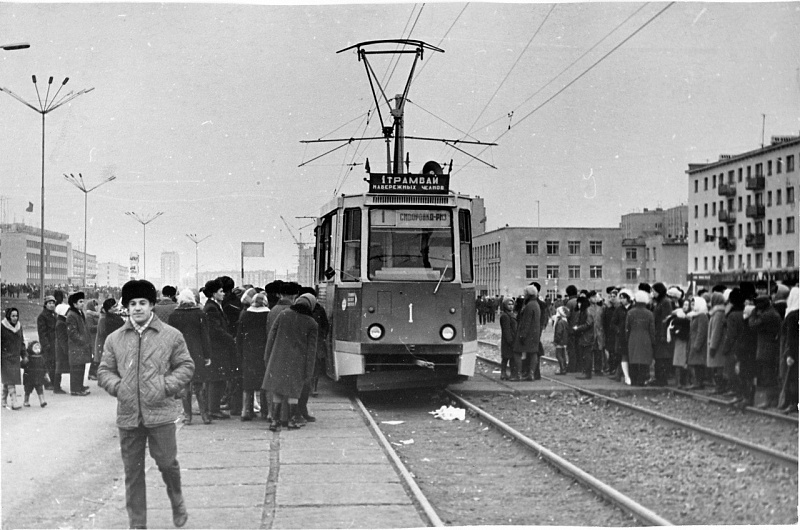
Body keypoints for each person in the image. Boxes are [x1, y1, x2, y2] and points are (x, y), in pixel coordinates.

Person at [97, 279, 194, 529]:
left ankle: (177, 500)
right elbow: (104, 370)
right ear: (126, 307)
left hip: (161, 413)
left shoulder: (171, 336)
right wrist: (119, 387)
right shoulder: (114, 339)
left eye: (142, 303)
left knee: (167, 464)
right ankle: (137, 524)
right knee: (133, 473)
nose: (137, 308)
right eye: (132, 303)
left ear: (152, 305)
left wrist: (165, 386)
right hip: (129, 417)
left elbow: (186, 365)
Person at [262, 293, 319, 432]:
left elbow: (271, 337)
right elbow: (312, 351)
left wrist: (267, 357)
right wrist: (309, 372)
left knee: (277, 391)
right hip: (297, 362)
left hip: (277, 359)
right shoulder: (312, 323)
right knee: (294, 393)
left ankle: (275, 422)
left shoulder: (283, 314)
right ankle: (292, 421)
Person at [169, 288, 213, 425]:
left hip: (180, 354)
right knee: (199, 386)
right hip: (197, 353)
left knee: (184, 387)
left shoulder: (174, 315)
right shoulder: (199, 314)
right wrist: (207, 355)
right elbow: (205, 336)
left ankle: (188, 417)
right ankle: (205, 416)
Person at [202, 279, 234, 420]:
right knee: (217, 380)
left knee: (216, 379)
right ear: (214, 293)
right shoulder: (211, 308)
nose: (224, 294)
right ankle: (213, 409)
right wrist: (230, 339)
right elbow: (215, 330)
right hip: (217, 349)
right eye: (221, 291)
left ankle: (212, 408)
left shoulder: (213, 306)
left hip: (217, 348)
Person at [236, 291, 269, 422]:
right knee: (264, 383)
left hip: (248, 353)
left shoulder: (245, 315)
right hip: (263, 352)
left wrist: (240, 352)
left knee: (248, 383)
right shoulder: (268, 315)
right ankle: (266, 412)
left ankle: (246, 411)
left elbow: (239, 337)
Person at [748, 295, 782, 409]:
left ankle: (769, 400)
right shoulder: (772, 313)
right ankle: (773, 400)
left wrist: (752, 313)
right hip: (771, 348)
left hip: (766, 349)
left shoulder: (767, 315)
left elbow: (752, 325)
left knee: (768, 375)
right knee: (770, 375)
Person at [512, 285, 542, 382]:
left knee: (517, 352)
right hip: (535, 334)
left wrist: (522, 335)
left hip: (527, 334)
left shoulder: (529, 305)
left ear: (528, 294)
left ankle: (518, 375)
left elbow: (526, 321)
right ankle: (531, 374)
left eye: (525, 293)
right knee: (533, 353)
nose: (524, 295)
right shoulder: (536, 304)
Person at [626, 290, 655, 386]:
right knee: (644, 359)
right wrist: (653, 341)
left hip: (633, 337)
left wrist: (627, 338)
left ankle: (633, 380)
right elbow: (652, 330)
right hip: (646, 338)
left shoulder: (630, 312)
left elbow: (627, 328)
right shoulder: (649, 314)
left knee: (633, 358)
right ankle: (642, 380)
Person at [66, 292, 92, 396]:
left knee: (81, 367)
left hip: (81, 346)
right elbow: (72, 333)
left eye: (83, 301)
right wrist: (82, 340)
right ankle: (75, 389)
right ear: (74, 304)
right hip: (76, 346)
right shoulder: (72, 315)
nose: (83, 303)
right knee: (76, 368)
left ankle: (80, 386)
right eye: (80, 301)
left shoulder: (79, 313)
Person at [1, 307, 27, 410]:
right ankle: (14, 400)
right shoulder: (2, 326)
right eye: (13, 316)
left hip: (15, 357)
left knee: (9, 379)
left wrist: (24, 355)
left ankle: (3, 399)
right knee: (10, 379)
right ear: (8, 316)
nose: (15, 318)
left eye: (16, 316)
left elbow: (22, 342)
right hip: (5, 357)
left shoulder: (19, 327)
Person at [778, 287, 798, 413]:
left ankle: (792, 403)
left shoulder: (791, 315)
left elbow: (791, 337)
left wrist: (790, 355)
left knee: (791, 377)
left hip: (792, 350)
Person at [650, 282, 674, 386]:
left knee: (661, 358)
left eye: (654, 291)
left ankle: (661, 379)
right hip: (658, 333)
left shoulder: (665, 302)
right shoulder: (660, 301)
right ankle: (658, 378)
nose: (653, 293)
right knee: (658, 357)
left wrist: (663, 334)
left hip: (662, 334)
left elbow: (666, 319)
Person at [706, 292, 728, 394]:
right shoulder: (720, 313)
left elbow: (716, 331)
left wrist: (713, 346)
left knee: (718, 367)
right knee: (718, 367)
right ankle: (719, 387)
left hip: (717, 346)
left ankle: (719, 388)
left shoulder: (718, 314)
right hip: (720, 345)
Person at [687, 296, 709, 390]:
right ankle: (697, 382)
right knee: (696, 364)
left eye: (694, 304)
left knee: (698, 364)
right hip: (694, 342)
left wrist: (697, 345)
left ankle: (699, 383)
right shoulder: (696, 315)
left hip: (699, 344)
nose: (692, 306)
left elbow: (701, 332)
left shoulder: (702, 316)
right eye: (691, 304)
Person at [668, 299, 691, 388]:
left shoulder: (689, 316)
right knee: (678, 362)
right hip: (679, 341)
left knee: (684, 362)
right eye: (684, 304)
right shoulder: (679, 316)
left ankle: (684, 381)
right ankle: (678, 382)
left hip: (686, 341)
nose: (685, 307)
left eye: (687, 305)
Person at [37, 295, 57, 390]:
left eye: (53, 303)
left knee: (53, 363)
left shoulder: (54, 314)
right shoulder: (42, 316)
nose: (52, 305)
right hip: (48, 344)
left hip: (55, 343)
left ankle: (53, 382)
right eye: (49, 303)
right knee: (48, 364)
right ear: (45, 305)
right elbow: (42, 333)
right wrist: (46, 345)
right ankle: (48, 383)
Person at [573, 294, 595, 380]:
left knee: (587, 355)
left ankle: (587, 373)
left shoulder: (587, 312)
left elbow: (588, 324)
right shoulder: (584, 311)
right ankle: (585, 372)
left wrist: (578, 328)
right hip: (585, 337)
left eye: (579, 303)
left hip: (586, 337)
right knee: (585, 355)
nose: (578, 304)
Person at [23, 339, 47, 407]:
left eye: (39, 348)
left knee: (40, 389)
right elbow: (22, 365)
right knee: (28, 390)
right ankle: (26, 401)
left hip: (39, 377)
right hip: (29, 378)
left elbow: (44, 366)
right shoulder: (29, 358)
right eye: (35, 348)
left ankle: (42, 401)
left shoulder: (41, 357)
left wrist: (46, 373)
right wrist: (24, 361)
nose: (37, 350)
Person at [499, 296, 519, 380]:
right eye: (509, 304)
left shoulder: (512, 314)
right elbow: (506, 329)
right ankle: (504, 373)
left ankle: (506, 373)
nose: (511, 306)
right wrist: (510, 340)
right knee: (507, 357)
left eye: (512, 304)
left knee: (509, 357)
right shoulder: (505, 316)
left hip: (512, 339)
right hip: (508, 340)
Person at [53, 303, 70, 394]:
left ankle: (57, 386)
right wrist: (66, 349)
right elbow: (62, 338)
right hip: (61, 348)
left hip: (60, 347)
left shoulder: (61, 321)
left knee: (59, 367)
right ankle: (56, 387)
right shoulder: (61, 323)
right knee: (59, 368)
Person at [85, 299, 100, 380]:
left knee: (96, 355)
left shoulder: (95, 315)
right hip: (92, 338)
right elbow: (90, 327)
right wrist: (100, 326)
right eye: (95, 305)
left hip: (96, 337)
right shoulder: (89, 316)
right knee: (95, 355)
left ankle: (93, 372)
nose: (96, 307)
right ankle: (92, 373)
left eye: (97, 305)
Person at [552, 305, 569, 375]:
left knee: (558, 355)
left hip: (560, 341)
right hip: (564, 340)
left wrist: (556, 341)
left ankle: (562, 369)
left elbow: (559, 332)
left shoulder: (559, 322)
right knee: (563, 355)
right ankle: (564, 368)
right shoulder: (565, 321)